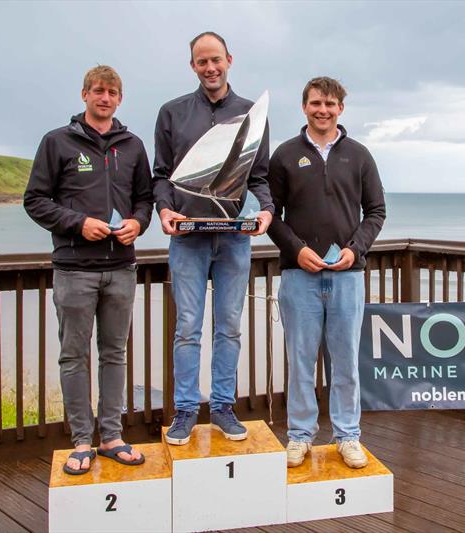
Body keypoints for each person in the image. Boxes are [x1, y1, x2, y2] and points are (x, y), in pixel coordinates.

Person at [24, 65, 153, 474]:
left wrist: (138, 223)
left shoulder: (132, 145)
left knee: (114, 355)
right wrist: (78, 224)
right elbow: (36, 200)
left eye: (112, 92)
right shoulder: (57, 142)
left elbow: (146, 199)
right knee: (74, 356)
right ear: (84, 95)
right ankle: (82, 440)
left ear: (120, 98)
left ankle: (112, 436)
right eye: (98, 90)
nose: (105, 97)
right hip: (74, 269)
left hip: (121, 268)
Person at [153, 32, 273, 444]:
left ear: (229, 60)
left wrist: (268, 212)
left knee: (230, 327)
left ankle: (223, 406)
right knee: (187, 327)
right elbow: (161, 176)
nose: (210, 67)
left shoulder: (251, 114)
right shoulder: (171, 113)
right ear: (192, 66)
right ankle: (185, 410)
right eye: (202, 61)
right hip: (188, 238)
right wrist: (165, 210)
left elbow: (260, 177)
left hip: (235, 240)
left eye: (216, 60)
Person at [268, 77, 386, 468]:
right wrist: (296, 250)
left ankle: (347, 435)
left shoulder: (360, 155)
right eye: (316, 103)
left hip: (347, 277)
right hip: (299, 277)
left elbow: (376, 212)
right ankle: (300, 435)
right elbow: (271, 217)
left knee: (345, 361)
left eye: (331, 104)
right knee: (300, 360)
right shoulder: (284, 155)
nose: (323, 110)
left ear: (341, 109)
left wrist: (355, 250)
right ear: (304, 107)